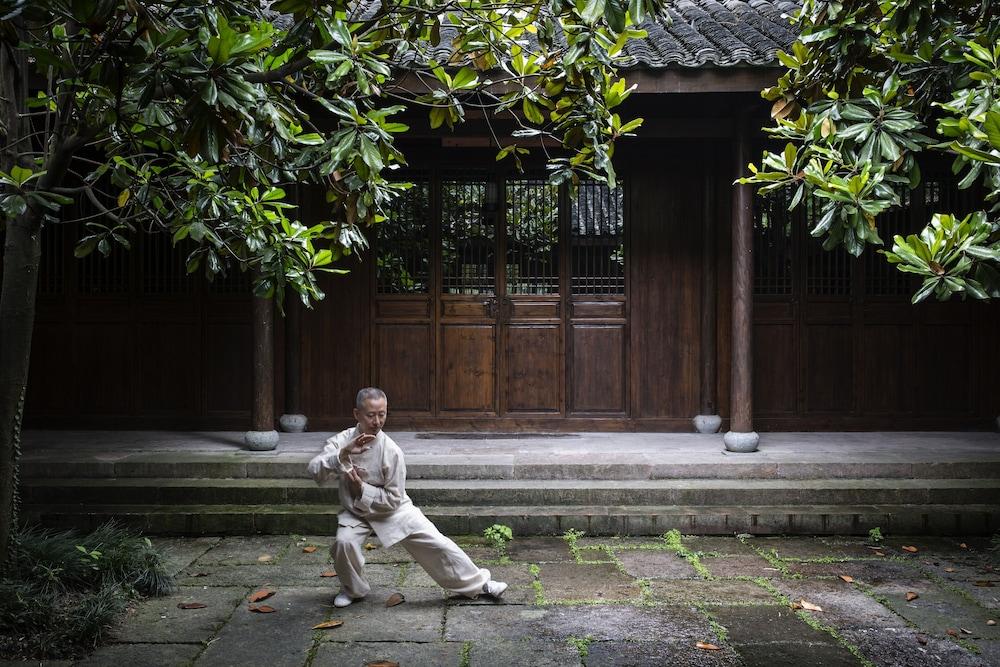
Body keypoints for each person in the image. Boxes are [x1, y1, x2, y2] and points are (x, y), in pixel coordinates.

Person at [307, 387, 508, 608]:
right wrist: (342, 455)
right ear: (357, 414)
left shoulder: (392, 451)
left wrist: (362, 489)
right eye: (371, 415)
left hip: (393, 511)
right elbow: (314, 470)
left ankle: (482, 584)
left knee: (438, 544)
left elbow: (393, 498)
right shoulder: (341, 440)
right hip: (356, 512)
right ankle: (353, 589)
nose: (377, 421)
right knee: (343, 543)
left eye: (382, 414)